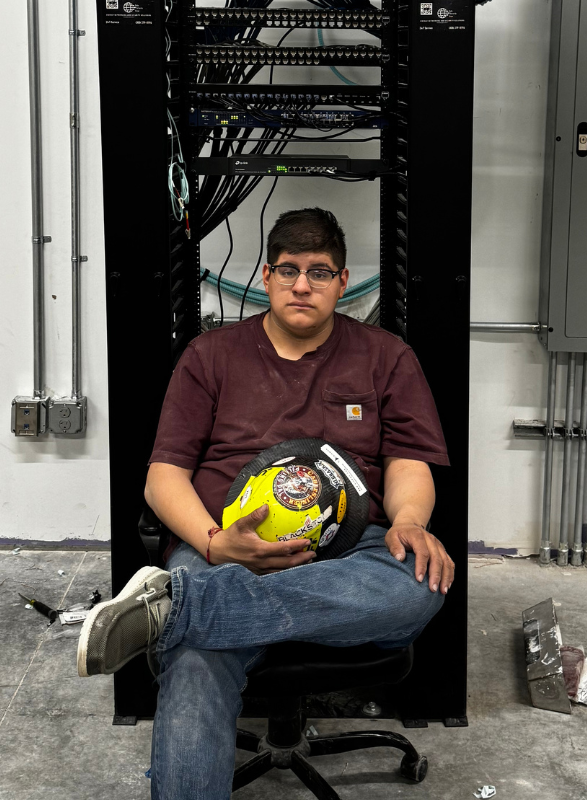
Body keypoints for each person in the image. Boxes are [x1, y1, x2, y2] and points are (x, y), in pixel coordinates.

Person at [76, 207, 454, 799]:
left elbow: (410, 459)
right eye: (289, 270)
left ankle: (176, 610)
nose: (303, 285)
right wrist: (211, 543)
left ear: (343, 280)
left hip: (351, 554)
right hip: (223, 549)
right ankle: (196, 608)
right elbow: (163, 476)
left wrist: (408, 521)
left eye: (320, 272)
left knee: (419, 582)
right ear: (265, 275)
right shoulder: (210, 356)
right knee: (198, 662)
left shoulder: (386, 357)